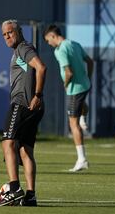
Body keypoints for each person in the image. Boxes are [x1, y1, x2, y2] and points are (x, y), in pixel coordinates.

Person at [0, 20, 46, 207]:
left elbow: (41, 67)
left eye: (10, 32)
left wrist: (37, 95)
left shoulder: (23, 48)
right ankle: (31, 195)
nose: (7, 36)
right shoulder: (19, 52)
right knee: (25, 151)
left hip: (23, 104)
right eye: (4, 34)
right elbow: (32, 70)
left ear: (19, 31)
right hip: (33, 107)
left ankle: (15, 188)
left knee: (7, 142)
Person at [44, 24, 94, 172]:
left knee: (73, 124)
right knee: (81, 107)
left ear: (53, 36)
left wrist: (65, 84)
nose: (49, 43)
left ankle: (82, 159)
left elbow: (69, 73)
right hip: (85, 85)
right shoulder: (75, 44)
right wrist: (88, 78)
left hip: (74, 89)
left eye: (48, 40)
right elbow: (90, 61)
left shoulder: (60, 50)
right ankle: (84, 117)